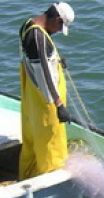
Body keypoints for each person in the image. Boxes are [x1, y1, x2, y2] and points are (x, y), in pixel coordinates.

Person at [18, 2, 74, 180]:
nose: (58, 31)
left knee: (32, 141)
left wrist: (57, 60)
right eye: (60, 26)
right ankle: (48, 180)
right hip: (46, 103)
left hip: (31, 98)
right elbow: (44, 75)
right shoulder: (39, 38)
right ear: (56, 19)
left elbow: (40, 60)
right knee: (50, 146)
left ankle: (27, 175)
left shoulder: (28, 25)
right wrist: (58, 105)